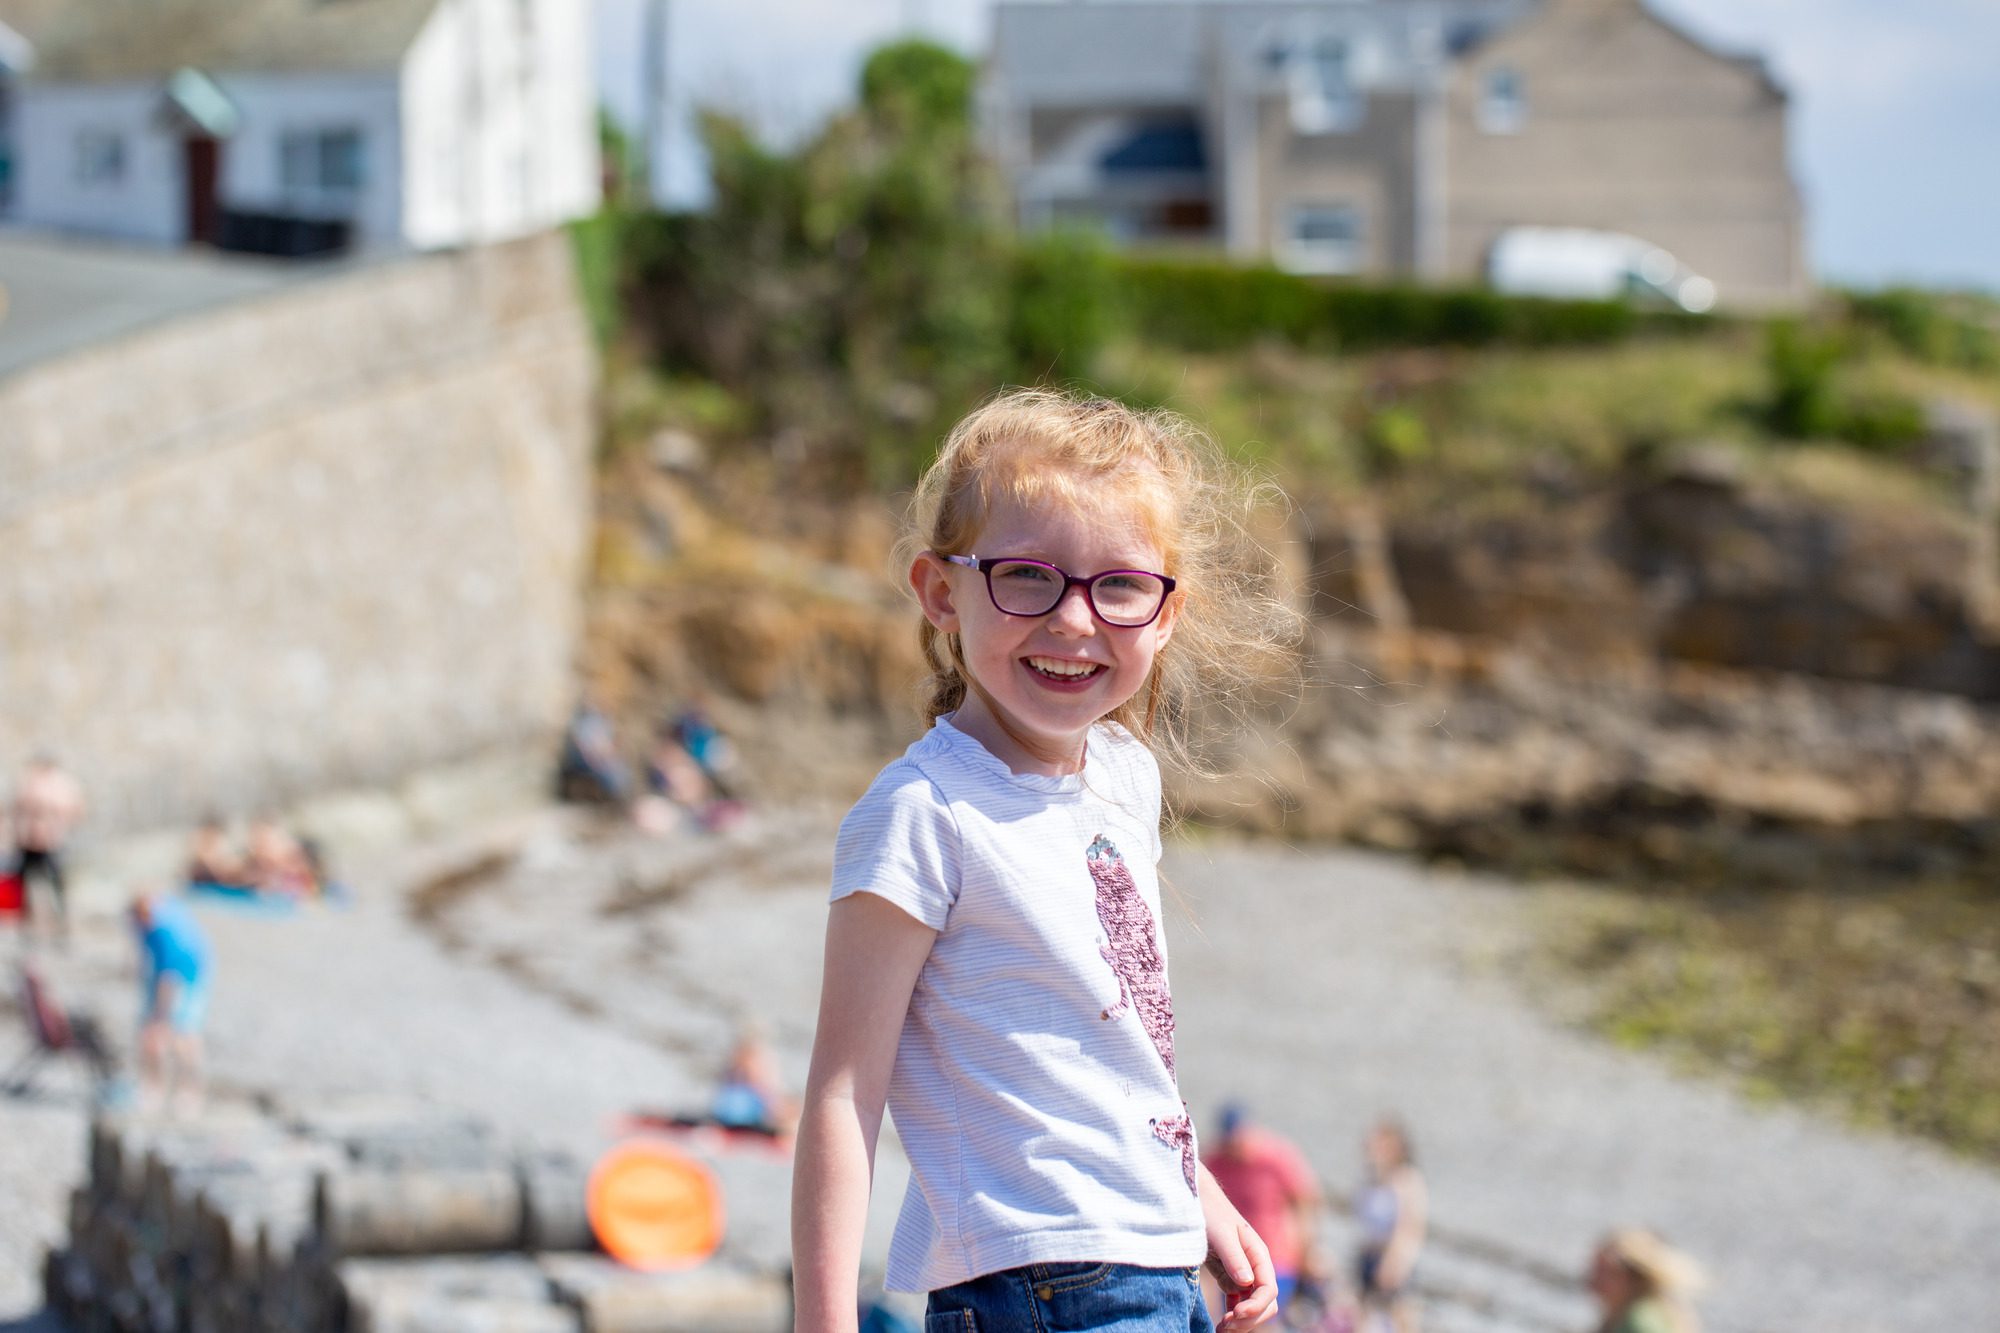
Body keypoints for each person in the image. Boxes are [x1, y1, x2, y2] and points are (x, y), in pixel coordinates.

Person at [791, 389, 1301, 1333]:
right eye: (1028, 577)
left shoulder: (1122, 776)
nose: (1074, 620)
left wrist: (1201, 1198)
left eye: (1119, 585)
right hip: (1036, 1285)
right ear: (942, 591)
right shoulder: (922, 812)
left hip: (1157, 1258)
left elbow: (1118, 1041)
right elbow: (841, 1092)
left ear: (1167, 611)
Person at [1202, 1106, 1322, 1317]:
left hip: (1277, 1257)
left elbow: (1305, 1200)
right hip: (1232, 1260)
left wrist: (1307, 1248)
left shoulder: (1275, 1156)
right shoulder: (1215, 1161)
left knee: (1264, 1319)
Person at [130, 891, 212, 1110]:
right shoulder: (146, 921)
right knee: (152, 1033)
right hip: (164, 974)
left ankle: (188, 1091)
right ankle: (153, 1088)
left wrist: (161, 1014)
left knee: (182, 1036)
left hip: (187, 977)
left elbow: (170, 978)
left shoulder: (167, 932)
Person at [1354, 1120, 1426, 1333]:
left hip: (1395, 1260)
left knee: (1400, 1318)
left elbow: (1410, 1226)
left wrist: (1394, 1263)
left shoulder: (1407, 1180)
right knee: (1365, 1318)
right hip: (1369, 1256)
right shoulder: (1373, 1178)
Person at [9, 755, 84, 944]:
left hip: (52, 840)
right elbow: (20, 807)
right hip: (30, 840)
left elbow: (71, 809)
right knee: (24, 881)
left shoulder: (60, 785)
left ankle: (61, 923)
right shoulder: (30, 782)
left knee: (56, 881)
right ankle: (27, 922)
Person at [1588, 1229, 1703, 1333]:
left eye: (1604, 1271)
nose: (1593, 1277)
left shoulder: (1641, 1320)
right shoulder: (1625, 1312)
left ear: (1630, 1277)